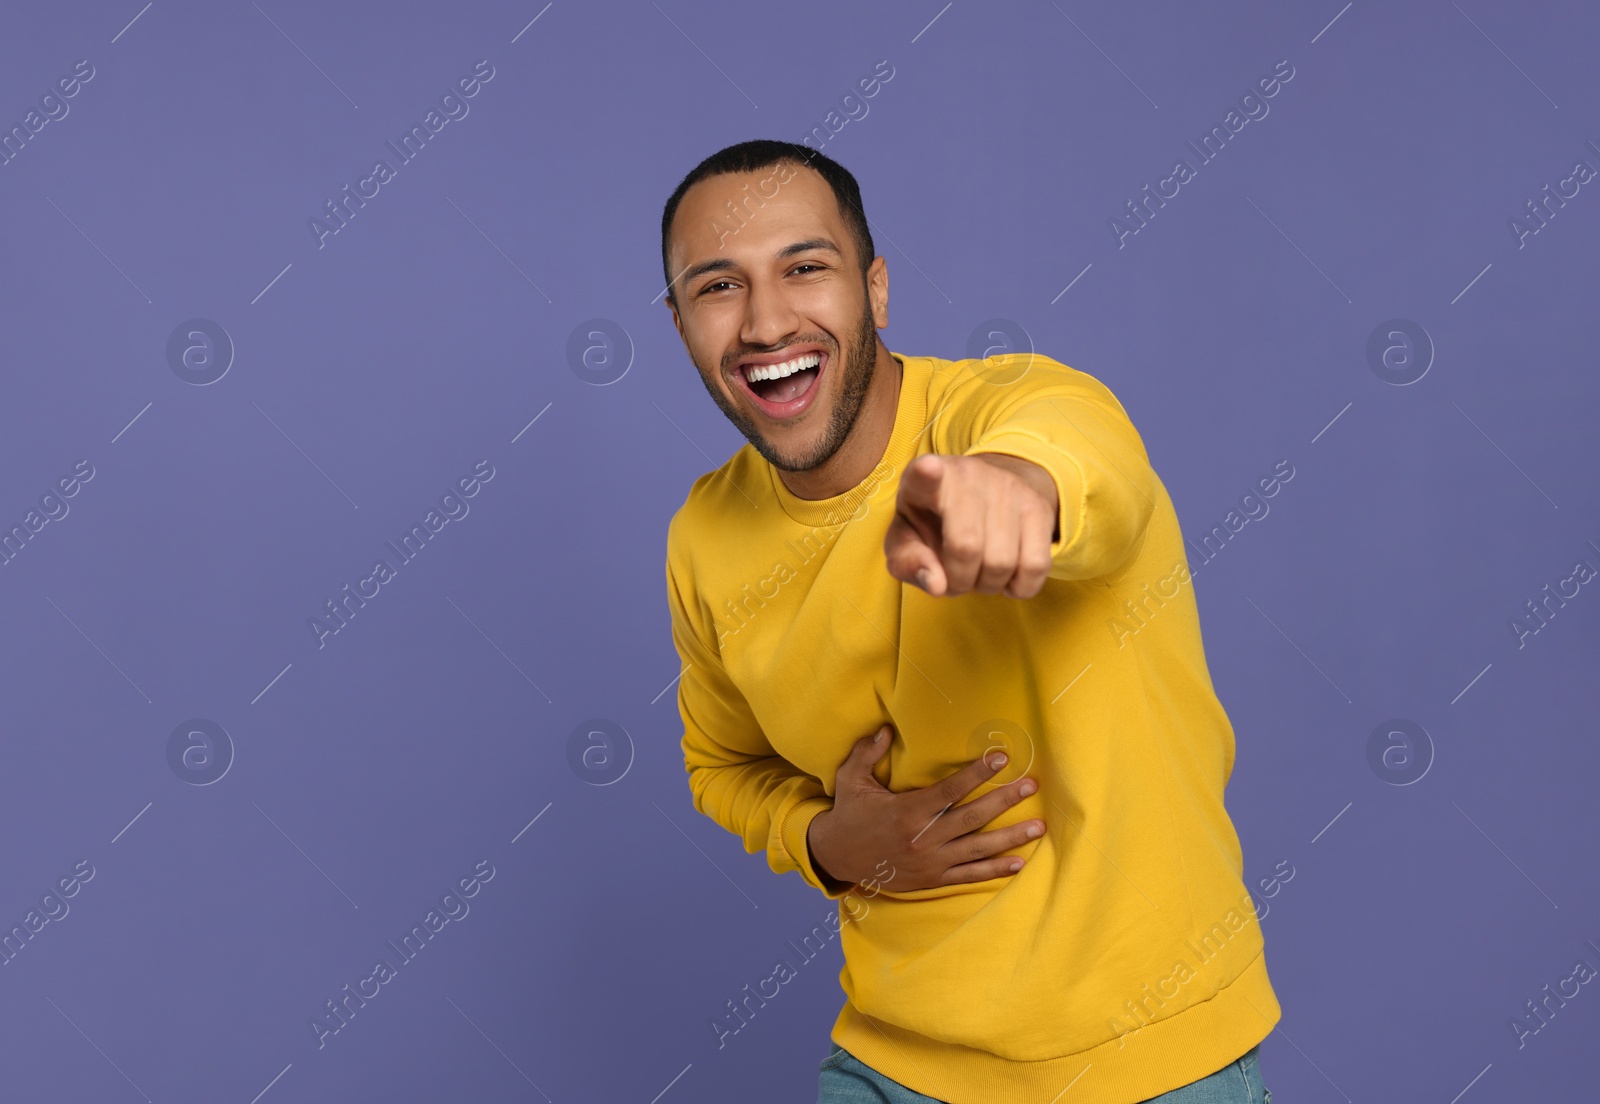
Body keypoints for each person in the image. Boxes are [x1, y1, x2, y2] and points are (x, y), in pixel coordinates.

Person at [659, 139, 1279, 1104]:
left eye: (806, 268)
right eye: (717, 287)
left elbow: (1084, 460)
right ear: (680, 323)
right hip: (889, 1062)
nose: (766, 320)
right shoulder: (704, 535)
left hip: (1149, 1065)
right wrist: (831, 847)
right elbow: (723, 768)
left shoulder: (1017, 406)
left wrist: (1015, 494)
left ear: (876, 290)